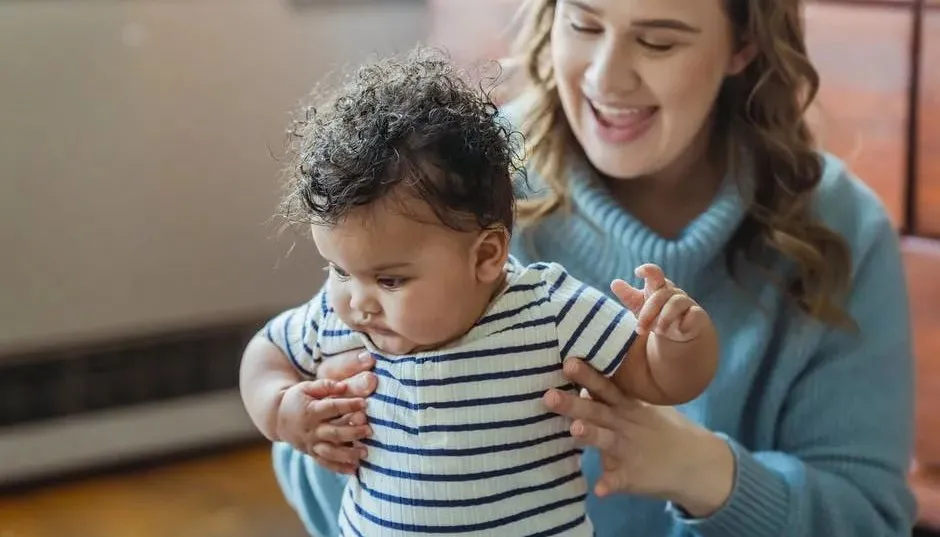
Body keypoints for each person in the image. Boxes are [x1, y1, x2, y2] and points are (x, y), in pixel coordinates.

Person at [268, 0, 917, 535]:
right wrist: (337, 422)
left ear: (743, 44)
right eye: (583, 24)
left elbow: (870, 518)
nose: (608, 78)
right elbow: (307, 446)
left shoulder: (842, 230)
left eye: (658, 42)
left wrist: (703, 469)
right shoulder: (448, 189)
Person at [239, 49, 720, 536]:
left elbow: (661, 381)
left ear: (486, 256)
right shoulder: (335, 316)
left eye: (390, 281)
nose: (357, 303)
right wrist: (280, 408)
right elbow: (266, 352)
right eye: (338, 270)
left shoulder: (548, 310)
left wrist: (678, 341)